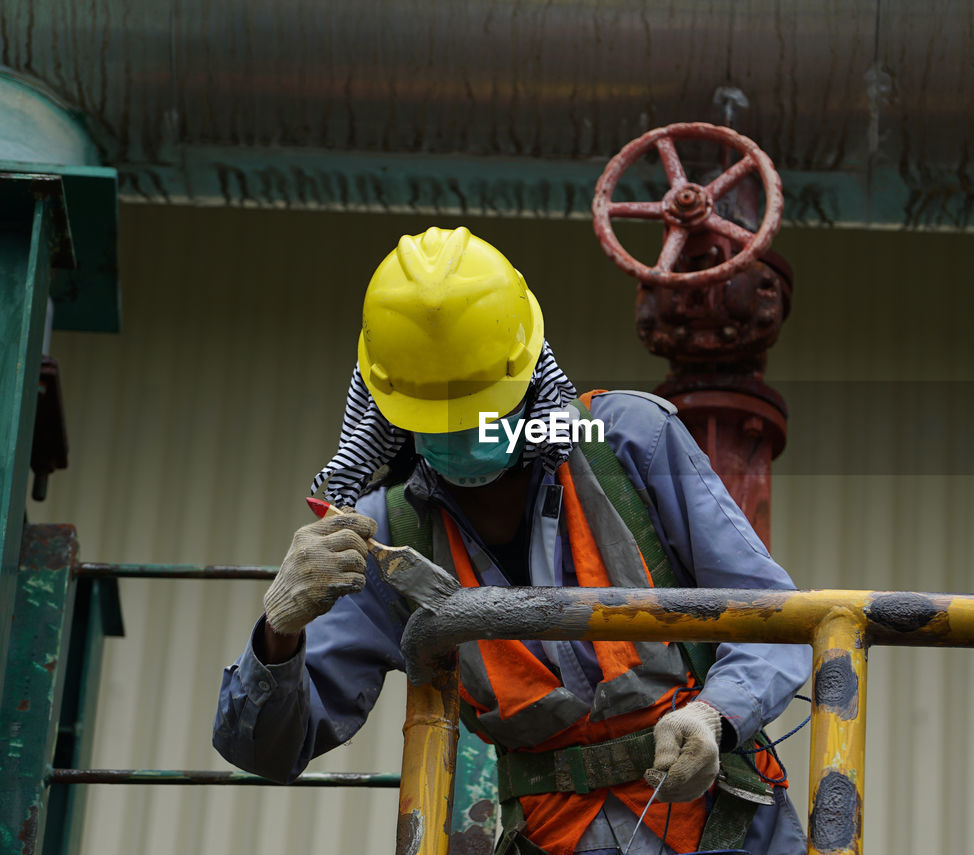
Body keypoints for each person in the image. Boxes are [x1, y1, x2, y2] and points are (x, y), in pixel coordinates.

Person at [213, 226, 810, 855]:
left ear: (528, 376)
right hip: (556, 839)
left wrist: (715, 715)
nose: (460, 434)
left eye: (477, 410)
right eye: (436, 418)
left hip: (727, 831)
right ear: (391, 410)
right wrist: (279, 632)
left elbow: (774, 616)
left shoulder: (627, 440)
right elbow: (267, 752)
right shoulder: (387, 534)